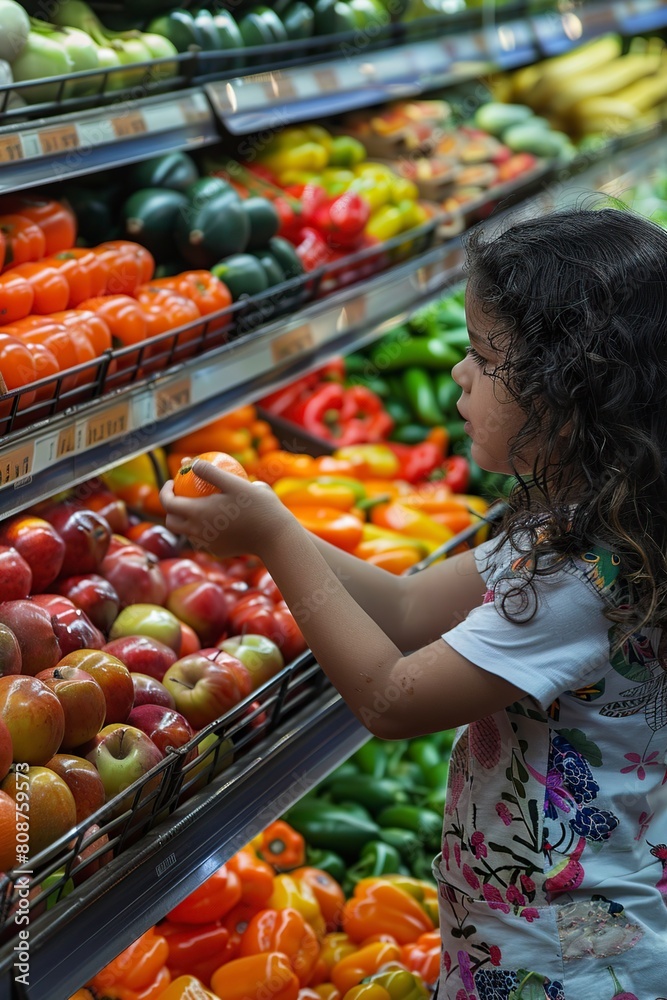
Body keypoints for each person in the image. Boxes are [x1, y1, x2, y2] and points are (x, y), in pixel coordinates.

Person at [160, 207, 667, 1000]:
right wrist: (270, 527)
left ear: (570, 395)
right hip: (532, 922)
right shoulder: (582, 525)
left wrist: (276, 538)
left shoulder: (580, 579)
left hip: (568, 957)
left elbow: (390, 700)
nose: (460, 374)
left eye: (482, 355)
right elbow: (401, 609)